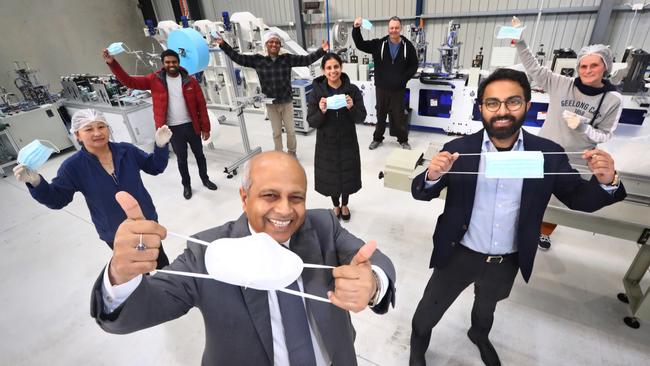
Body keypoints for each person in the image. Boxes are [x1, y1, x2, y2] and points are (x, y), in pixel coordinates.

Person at [90, 151, 396, 365]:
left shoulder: (323, 227)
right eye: (270, 195)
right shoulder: (207, 250)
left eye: (296, 198)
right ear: (244, 197)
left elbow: (376, 260)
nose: (285, 210)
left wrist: (373, 283)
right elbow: (137, 312)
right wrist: (121, 275)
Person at [408, 68, 626, 366]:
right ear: (481, 108)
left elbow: (578, 198)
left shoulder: (547, 154)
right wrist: (432, 176)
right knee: (430, 308)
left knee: (487, 306)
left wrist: (606, 181)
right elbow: (421, 192)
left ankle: (479, 335)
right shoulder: (459, 150)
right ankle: (418, 345)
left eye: (512, 102)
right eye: (492, 103)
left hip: (507, 258)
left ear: (527, 104)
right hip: (459, 253)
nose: (502, 111)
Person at [512, 16, 623, 250]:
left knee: (557, 201)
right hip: (540, 151)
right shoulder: (561, 83)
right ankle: (519, 226)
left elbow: (606, 135)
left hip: (574, 160)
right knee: (525, 191)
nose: (588, 70)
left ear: (606, 67)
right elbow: (534, 68)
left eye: (595, 65)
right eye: (583, 65)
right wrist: (521, 42)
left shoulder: (612, 100)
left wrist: (585, 128)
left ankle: (544, 231)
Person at [13, 109, 172, 268]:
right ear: (77, 135)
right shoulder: (73, 167)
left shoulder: (127, 151)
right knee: (135, 271)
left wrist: (160, 146)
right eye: (88, 129)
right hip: (115, 232)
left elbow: (154, 166)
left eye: (101, 127)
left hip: (145, 221)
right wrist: (37, 184)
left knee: (161, 263)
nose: (97, 133)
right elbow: (58, 199)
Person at [102, 48, 217, 200]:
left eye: (174, 62)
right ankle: (187, 185)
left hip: (191, 126)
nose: (171, 64)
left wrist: (206, 127)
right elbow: (129, 81)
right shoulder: (154, 79)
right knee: (181, 159)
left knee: (200, 155)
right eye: (168, 62)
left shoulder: (191, 81)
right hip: (172, 129)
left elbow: (201, 106)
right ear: (163, 63)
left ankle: (205, 179)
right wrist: (112, 63)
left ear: (178, 62)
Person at [215, 32, 328, 156]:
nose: (274, 44)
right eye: (271, 42)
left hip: (286, 102)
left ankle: (292, 152)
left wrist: (322, 51)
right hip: (271, 104)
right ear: (266, 44)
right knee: (276, 132)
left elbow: (306, 60)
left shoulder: (287, 58)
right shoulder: (258, 60)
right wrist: (223, 44)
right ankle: (279, 154)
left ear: (280, 45)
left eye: (277, 42)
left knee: (291, 131)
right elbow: (238, 58)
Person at [307, 53, 367, 221]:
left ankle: (345, 203)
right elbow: (312, 121)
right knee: (331, 175)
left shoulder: (352, 90)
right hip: (327, 142)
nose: (333, 71)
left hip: (348, 139)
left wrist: (352, 107)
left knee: (348, 173)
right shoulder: (317, 92)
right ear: (323, 71)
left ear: (341, 67)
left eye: (336, 67)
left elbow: (361, 117)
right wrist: (321, 111)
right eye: (329, 68)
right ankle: (335, 204)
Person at [352, 16, 418, 150]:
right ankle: (377, 139)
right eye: (391, 28)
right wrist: (356, 28)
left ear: (401, 28)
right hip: (381, 88)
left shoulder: (408, 46)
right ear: (388, 29)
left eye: (396, 28)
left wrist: (403, 78)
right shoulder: (379, 44)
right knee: (380, 114)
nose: (394, 30)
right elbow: (360, 44)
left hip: (398, 89)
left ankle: (403, 140)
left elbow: (414, 65)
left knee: (398, 115)